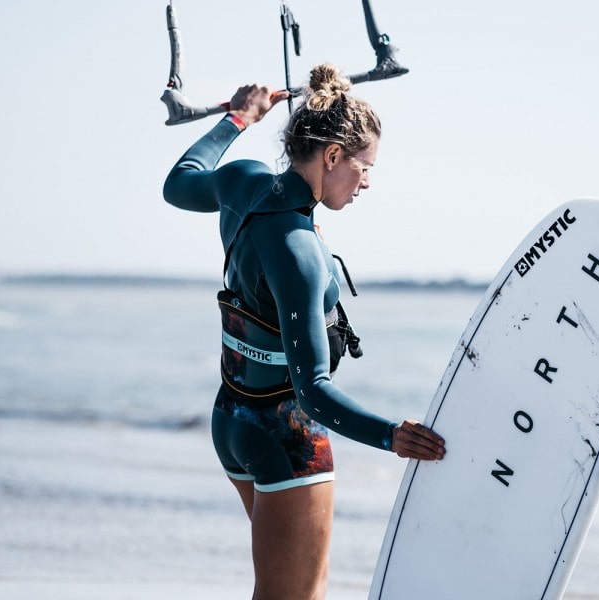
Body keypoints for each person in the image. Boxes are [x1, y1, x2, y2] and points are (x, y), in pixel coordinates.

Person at [163, 64, 445, 600]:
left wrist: (236, 120)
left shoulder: (244, 183)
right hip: (283, 432)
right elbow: (313, 392)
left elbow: (179, 185)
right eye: (364, 166)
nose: (368, 181)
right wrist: (392, 436)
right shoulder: (299, 253)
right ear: (333, 155)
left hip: (231, 419)